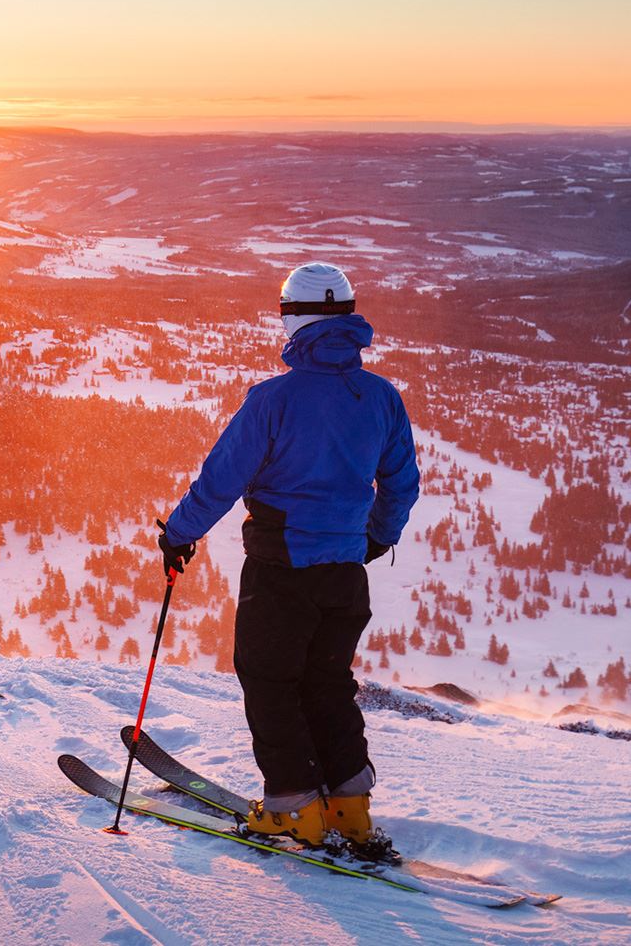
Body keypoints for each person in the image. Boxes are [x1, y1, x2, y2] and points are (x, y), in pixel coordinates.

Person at [156, 263, 419, 855]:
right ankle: (350, 807)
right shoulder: (380, 397)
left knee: (271, 683)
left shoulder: (273, 400)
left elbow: (221, 480)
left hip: (281, 572)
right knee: (328, 682)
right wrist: (375, 538)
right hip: (346, 574)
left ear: (292, 319)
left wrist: (179, 534)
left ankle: (293, 809)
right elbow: (402, 484)